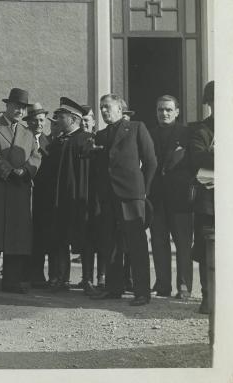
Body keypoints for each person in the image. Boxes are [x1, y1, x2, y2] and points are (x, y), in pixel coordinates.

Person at [90, 94, 157, 306]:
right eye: (101, 108)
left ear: (120, 109)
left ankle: (142, 292)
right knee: (110, 244)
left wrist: (142, 191)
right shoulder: (99, 135)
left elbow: (150, 161)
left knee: (136, 244)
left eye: (107, 107)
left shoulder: (136, 128)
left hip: (131, 195)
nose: (103, 111)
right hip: (108, 198)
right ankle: (113, 288)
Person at [0, 88, 41, 295]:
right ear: (7, 106)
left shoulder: (28, 133)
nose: (19, 111)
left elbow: (36, 156)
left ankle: (11, 281)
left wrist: (26, 170)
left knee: (16, 237)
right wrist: (9, 171)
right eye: (16, 106)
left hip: (19, 190)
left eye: (23, 108)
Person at [46, 98, 95, 294]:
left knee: (85, 239)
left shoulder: (87, 139)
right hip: (60, 200)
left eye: (61, 116)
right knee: (60, 239)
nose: (57, 119)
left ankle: (88, 279)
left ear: (74, 119)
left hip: (81, 198)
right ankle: (61, 278)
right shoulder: (57, 143)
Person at [148, 95, 194, 299]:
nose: (164, 113)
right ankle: (163, 285)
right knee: (158, 242)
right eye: (160, 110)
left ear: (177, 112)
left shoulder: (186, 134)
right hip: (157, 197)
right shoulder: (149, 133)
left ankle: (184, 286)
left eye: (168, 110)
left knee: (183, 243)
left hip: (180, 199)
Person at [190, 81, 214, 315]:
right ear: (209, 104)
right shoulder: (201, 131)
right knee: (207, 250)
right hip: (209, 202)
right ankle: (208, 295)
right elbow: (198, 158)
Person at [24, 103, 54, 289]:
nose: (39, 123)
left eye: (42, 120)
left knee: (40, 235)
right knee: (24, 234)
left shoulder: (48, 142)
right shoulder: (22, 138)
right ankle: (23, 273)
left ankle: (38, 273)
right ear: (28, 121)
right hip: (24, 192)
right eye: (35, 120)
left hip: (42, 196)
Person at [79, 104, 105, 289]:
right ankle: (86, 277)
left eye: (87, 120)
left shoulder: (101, 138)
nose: (83, 124)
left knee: (102, 236)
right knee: (87, 237)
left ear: (94, 122)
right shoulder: (76, 141)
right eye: (80, 120)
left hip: (100, 195)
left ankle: (101, 276)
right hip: (84, 195)